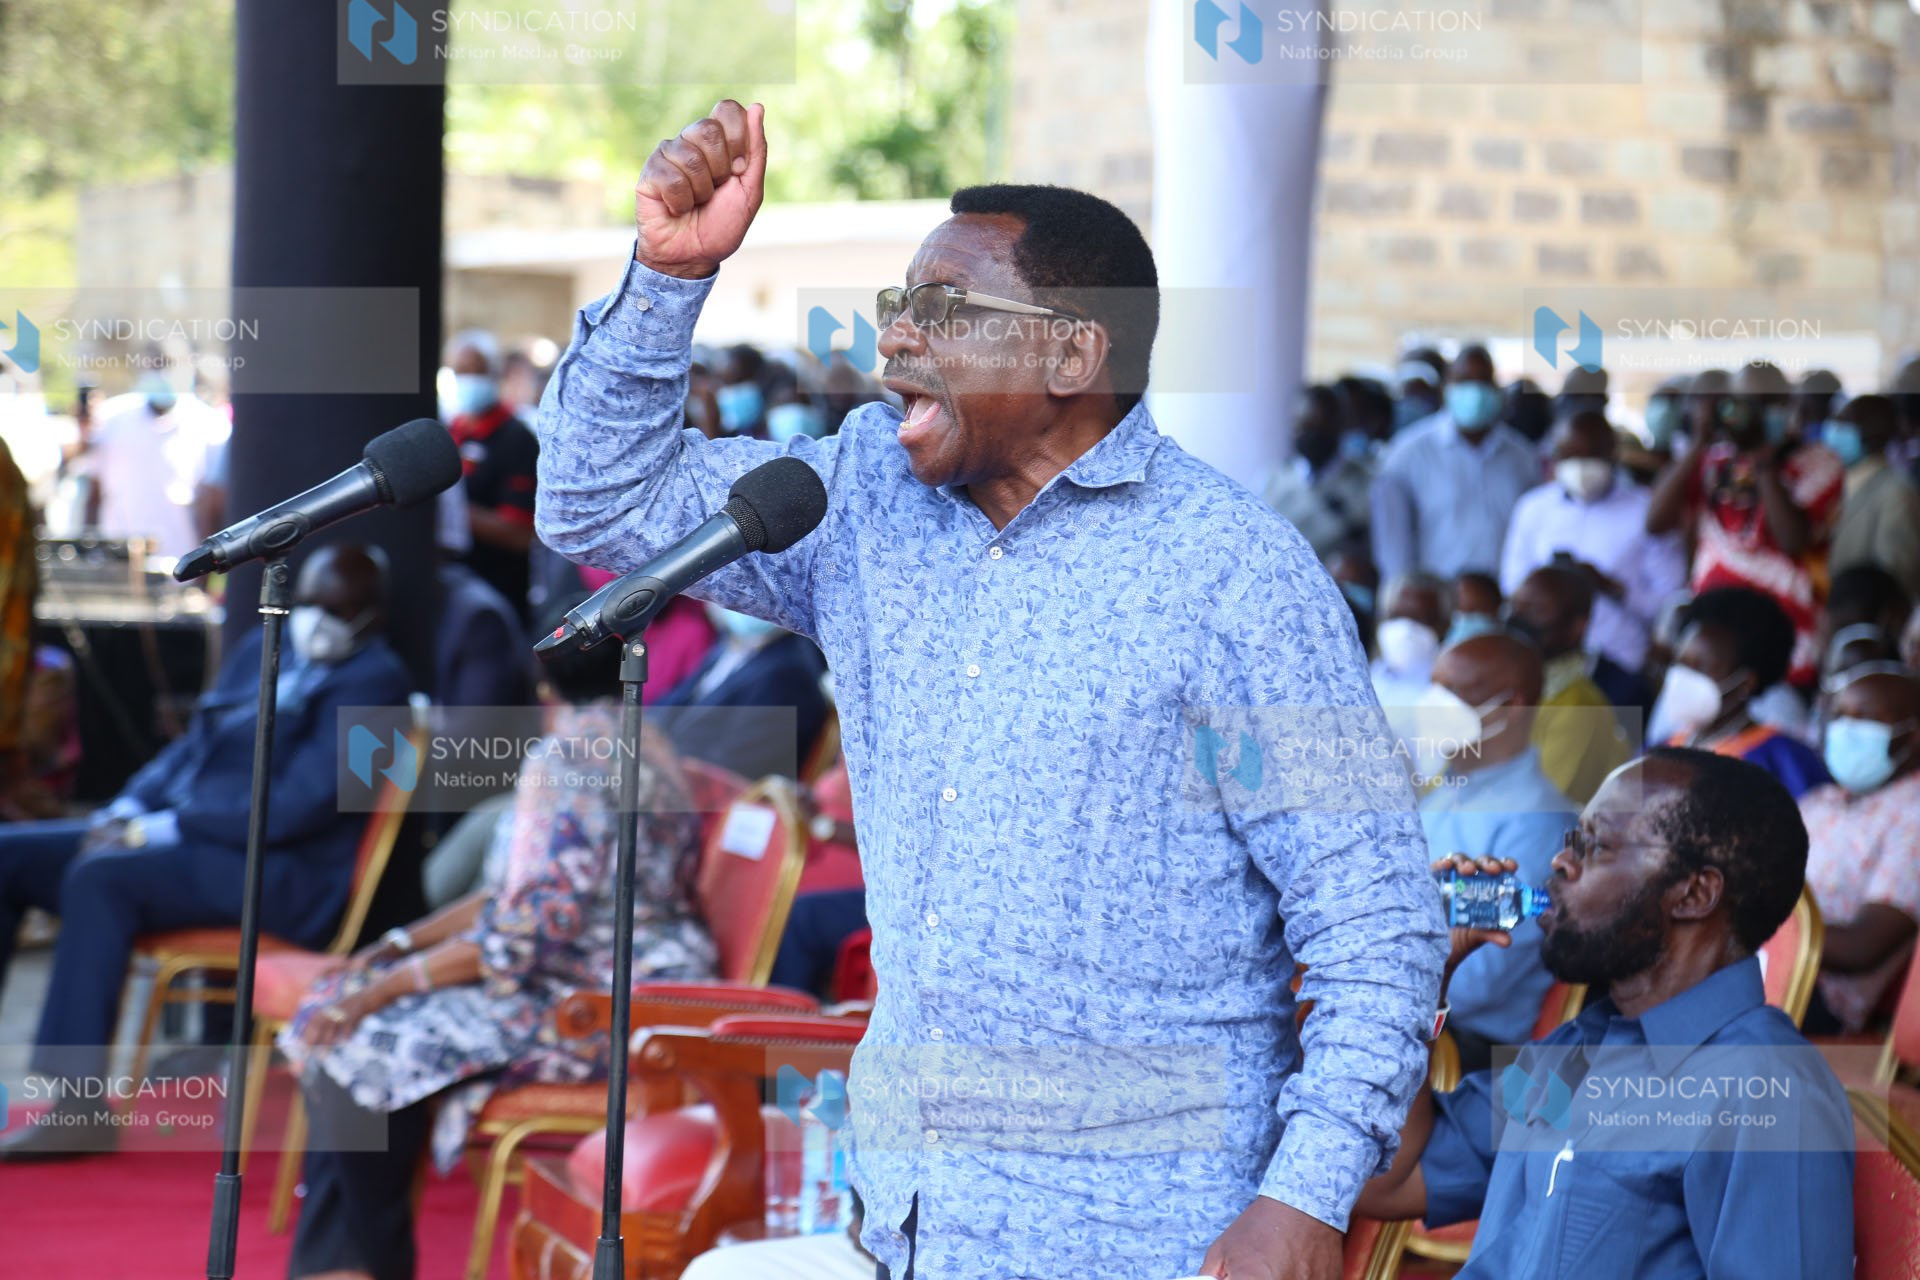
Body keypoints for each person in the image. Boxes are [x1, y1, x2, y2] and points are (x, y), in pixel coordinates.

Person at [535, 102, 1447, 1280]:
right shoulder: (862, 498)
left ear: (1073, 353)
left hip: (1145, 1230)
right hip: (920, 1212)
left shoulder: (1239, 576)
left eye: (943, 310)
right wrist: (666, 278)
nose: (896, 341)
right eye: (897, 308)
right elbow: (597, 507)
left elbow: (1376, 918)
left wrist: (1307, 1194)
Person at [280, 608, 715, 1280]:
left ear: (541, 681)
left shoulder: (567, 760)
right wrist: (397, 948)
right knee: (351, 1015)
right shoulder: (648, 739)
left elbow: (523, 936)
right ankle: (339, 1264)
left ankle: (365, 1265)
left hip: (597, 1001)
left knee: (359, 1033)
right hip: (618, 977)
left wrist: (382, 989)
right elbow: (516, 897)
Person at [1352, 750, 1856, 1278]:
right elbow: (1386, 1183)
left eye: (1595, 845)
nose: (1562, 862)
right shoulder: (1574, 1051)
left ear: (1694, 893)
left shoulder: (1765, 1090)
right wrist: (1422, 978)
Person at [0, 545, 412, 1158]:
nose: (322, 619)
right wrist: (130, 809)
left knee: (102, 878)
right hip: (188, 837)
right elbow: (195, 746)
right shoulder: (268, 645)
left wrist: (164, 827)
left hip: (277, 872)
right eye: (315, 604)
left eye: (342, 609)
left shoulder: (379, 687)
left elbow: (302, 805)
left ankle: (76, 1104)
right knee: (11, 855)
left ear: (371, 618)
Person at [1415, 633, 1575, 1070]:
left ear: (1511, 707)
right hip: (1411, 1009)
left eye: (1456, 693)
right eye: (1434, 686)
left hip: (1465, 1049)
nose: (1433, 705)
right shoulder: (1446, 792)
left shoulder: (1536, 822)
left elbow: (1477, 982)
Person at [1646, 360, 1845, 688]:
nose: (1754, 414)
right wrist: (1699, 442)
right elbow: (1656, 521)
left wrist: (1762, 458)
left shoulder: (1820, 462)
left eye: (1767, 404)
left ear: (1791, 406)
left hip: (1789, 641)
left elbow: (1792, 540)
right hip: (1711, 637)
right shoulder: (1715, 458)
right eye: (1745, 404)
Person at [1499, 411, 1687, 678]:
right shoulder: (1533, 508)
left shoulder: (1647, 512)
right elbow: (1512, 583)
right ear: (1555, 456)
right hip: (1546, 663)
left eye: (1591, 457)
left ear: (1613, 454)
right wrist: (1551, 585)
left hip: (1620, 661)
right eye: (1571, 457)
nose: (1581, 468)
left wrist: (1612, 587)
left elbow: (1669, 602)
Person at [1798, 666, 1920, 1035]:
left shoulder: (1912, 815)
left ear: (1911, 737)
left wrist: (1746, 922)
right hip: (1756, 967)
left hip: (1814, 997)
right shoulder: (1823, 800)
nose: (1844, 730)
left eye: (1864, 720)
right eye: (1839, 717)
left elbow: (1863, 948)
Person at [1371, 344, 1542, 581]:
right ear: (1445, 389)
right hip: (1434, 601)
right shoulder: (1408, 454)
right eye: (1463, 380)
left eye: (1483, 381)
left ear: (1496, 389)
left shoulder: (1522, 458)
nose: (1474, 391)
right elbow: (1393, 543)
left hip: (1502, 601)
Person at [1652, 587, 1830, 798]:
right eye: (1681, 662)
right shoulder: (1663, 749)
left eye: (1700, 667)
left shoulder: (1786, 763)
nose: (1682, 676)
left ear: (1745, 683)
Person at [652, 604, 830, 782]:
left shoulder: (789, 674)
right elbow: (669, 704)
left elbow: (734, 765)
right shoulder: (727, 648)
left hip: (716, 796)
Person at [1505, 567, 1635, 802]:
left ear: (1578, 627)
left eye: (1536, 609)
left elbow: (1540, 805)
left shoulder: (1579, 707)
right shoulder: (1505, 685)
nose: (1518, 619)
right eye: (1515, 606)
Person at [81, 367, 230, 558]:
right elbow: (94, 492)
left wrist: (205, 568)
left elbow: (213, 505)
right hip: (118, 560)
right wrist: (89, 551)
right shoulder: (113, 417)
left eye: (169, 365)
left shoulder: (210, 423)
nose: (162, 375)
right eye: (156, 365)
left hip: (181, 564)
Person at [445, 330, 540, 619]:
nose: (468, 380)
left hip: (501, 592)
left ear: (495, 375)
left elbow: (521, 534)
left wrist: (450, 513)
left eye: (477, 371)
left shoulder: (517, 439)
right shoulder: (452, 430)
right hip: (455, 585)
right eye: (461, 372)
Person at [1261, 383, 1372, 558]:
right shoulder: (1273, 479)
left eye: (1319, 425)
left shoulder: (1366, 483)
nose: (1310, 434)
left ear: (1340, 425)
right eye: (1303, 425)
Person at [1826, 394, 1920, 599]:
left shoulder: (1897, 493)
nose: (1833, 432)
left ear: (1876, 433)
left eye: (1844, 425)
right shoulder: (1838, 482)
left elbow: (1896, 578)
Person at [1448, 572, 1502, 646]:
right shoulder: (1460, 622)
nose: (1459, 599)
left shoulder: (1481, 627)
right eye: (1458, 594)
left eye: (1464, 593)